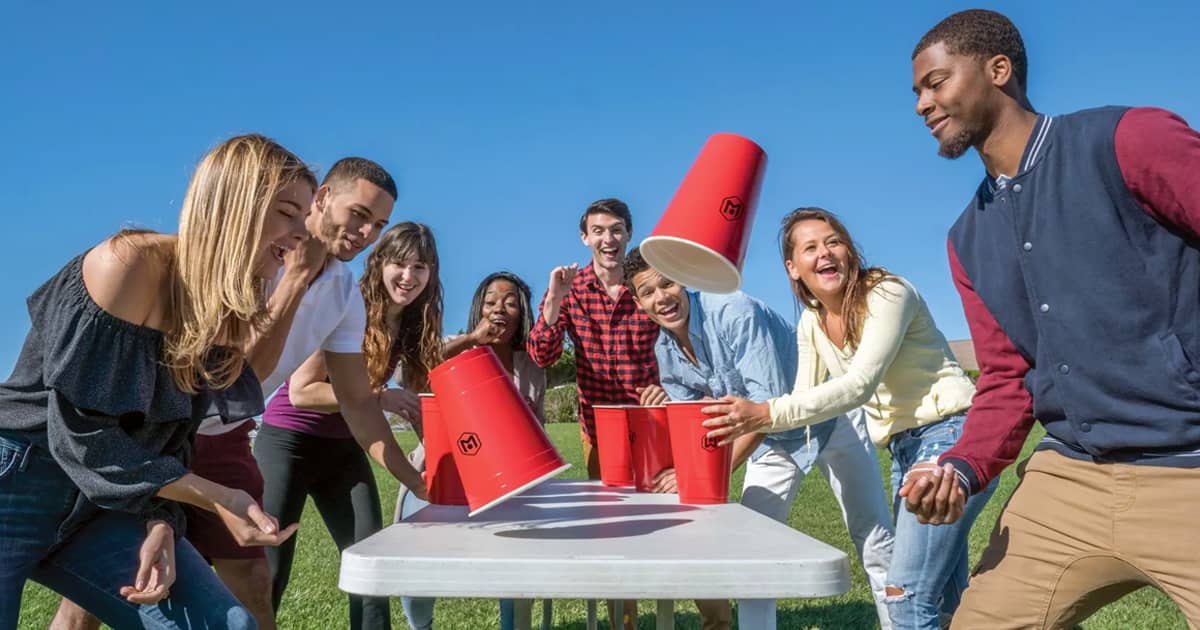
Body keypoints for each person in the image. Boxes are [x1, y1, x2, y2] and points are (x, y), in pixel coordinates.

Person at [903, 9, 1200, 628]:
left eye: (936, 83)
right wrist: (962, 465)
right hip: (1068, 481)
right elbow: (1008, 376)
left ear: (998, 69)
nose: (922, 105)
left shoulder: (1128, 140)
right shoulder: (968, 238)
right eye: (916, 93)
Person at [52, 157, 429, 630]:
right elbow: (226, 376)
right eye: (359, 214)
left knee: (253, 579)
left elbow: (357, 401)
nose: (366, 232)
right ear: (324, 197)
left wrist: (414, 482)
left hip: (225, 437)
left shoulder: (344, 294)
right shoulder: (255, 257)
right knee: (100, 592)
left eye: (378, 224)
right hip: (153, 430)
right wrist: (294, 278)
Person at [0, 134, 313, 629]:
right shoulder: (127, 265)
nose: (303, 233)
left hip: (99, 505)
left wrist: (161, 521)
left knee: (227, 624)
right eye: (288, 211)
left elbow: (168, 440)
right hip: (16, 478)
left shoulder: (223, 314)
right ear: (233, 205)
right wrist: (216, 496)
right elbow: (81, 438)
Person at [703, 208, 996, 630]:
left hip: (951, 437)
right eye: (810, 248)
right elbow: (803, 400)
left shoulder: (888, 293)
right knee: (945, 600)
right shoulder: (812, 322)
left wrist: (764, 411)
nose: (826, 252)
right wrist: (750, 420)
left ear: (850, 251)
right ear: (793, 267)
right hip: (905, 450)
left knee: (905, 591)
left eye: (833, 241)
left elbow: (858, 386)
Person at [624, 246, 895, 630]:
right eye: (648, 292)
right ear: (638, 303)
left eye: (667, 283)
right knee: (753, 550)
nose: (661, 297)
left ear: (682, 277)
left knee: (873, 536)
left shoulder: (733, 310)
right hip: (771, 442)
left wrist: (702, 477)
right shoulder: (665, 351)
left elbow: (766, 406)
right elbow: (697, 431)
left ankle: (901, 624)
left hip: (830, 419)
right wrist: (665, 415)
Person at [255, 222, 443, 630]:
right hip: (289, 444)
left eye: (420, 267)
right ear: (379, 263)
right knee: (270, 570)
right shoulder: (348, 304)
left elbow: (418, 403)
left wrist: (438, 462)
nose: (408, 277)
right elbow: (303, 392)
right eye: (399, 263)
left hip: (344, 449)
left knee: (371, 565)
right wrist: (379, 397)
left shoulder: (412, 326)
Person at [525, 198, 658, 630]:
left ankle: (716, 620)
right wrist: (553, 303)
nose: (608, 238)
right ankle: (627, 624)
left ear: (628, 234)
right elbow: (541, 355)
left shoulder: (647, 283)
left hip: (656, 420)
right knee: (617, 528)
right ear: (585, 238)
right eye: (598, 231)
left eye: (616, 229)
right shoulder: (571, 288)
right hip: (600, 428)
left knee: (682, 517)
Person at [400, 271, 551, 630]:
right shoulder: (454, 346)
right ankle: (421, 626)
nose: (500, 308)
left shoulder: (530, 366)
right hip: (441, 475)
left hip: (508, 484)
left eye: (510, 302)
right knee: (414, 560)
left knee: (513, 564)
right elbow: (412, 377)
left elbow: (537, 429)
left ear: (522, 313)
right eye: (491, 301)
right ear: (478, 309)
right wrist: (470, 340)